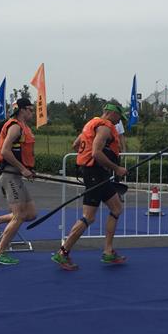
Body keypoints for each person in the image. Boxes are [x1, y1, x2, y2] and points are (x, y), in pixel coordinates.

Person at [51, 103, 129, 271]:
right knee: (88, 217)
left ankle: (108, 251)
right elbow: (96, 152)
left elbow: (76, 145)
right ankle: (63, 252)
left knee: (116, 208)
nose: (119, 122)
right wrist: (116, 168)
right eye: (119, 117)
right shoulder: (105, 128)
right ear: (112, 114)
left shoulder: (91, 124)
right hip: (95, 173)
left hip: (97, 173)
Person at [0, 98, 37, 265]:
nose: (32, 112)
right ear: (22, 110)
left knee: (31, 213)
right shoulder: (15, 127)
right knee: (19, 215)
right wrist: (23, 169)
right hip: (9, 175)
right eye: (30, 109)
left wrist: (28, 169)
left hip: (16, 175)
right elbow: (5, 151)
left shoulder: (23, 127)